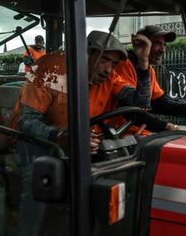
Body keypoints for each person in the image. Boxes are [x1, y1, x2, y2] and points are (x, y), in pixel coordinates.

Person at [11, 30, 156, 236]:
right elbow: (26, 121)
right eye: (104, 60)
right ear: (85, 52)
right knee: (37, 187)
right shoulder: (48, 67)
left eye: (113, 64)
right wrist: (62, 137)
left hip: (76, 144)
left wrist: (143, 61)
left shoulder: (108, 77)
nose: (108, 69)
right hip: (36, 144)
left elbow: (141, 102)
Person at [114, 25, 186, 134]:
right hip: (120, 135)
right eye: (157, 43)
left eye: (164, 45)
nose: (162, 50)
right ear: (141, 43)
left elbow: (160, 103)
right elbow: (130, 110)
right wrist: (171, 127)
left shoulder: (149, 70)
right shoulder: (125, 64)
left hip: (136, 133)